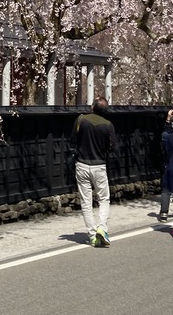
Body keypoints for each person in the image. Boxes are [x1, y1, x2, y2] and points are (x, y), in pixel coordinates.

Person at [72, 96, 117, 247]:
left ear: (93, 107)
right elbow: (113, 147)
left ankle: (92, 235)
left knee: (86, 202)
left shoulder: (80, 120)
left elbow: (73, 140)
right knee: (103, 199)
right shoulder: (108, 125)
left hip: (82, 164)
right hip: (99, 165)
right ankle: (102, 228)